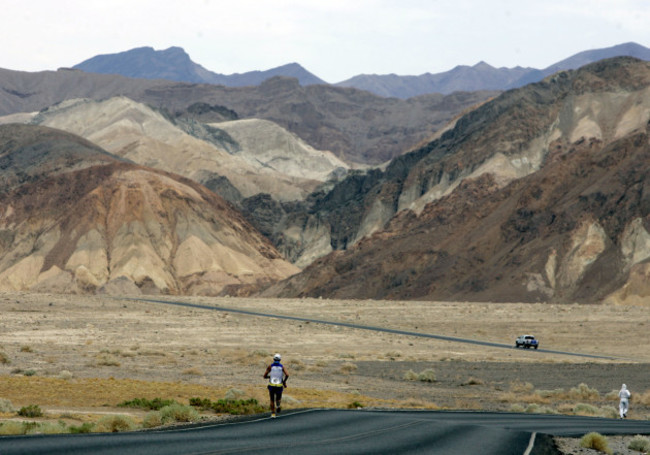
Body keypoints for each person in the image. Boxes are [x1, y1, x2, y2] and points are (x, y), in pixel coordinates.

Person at [263, 353, 289, 418]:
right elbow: (287, 375)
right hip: (279, 385)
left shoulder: (270, 366)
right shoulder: (282, 367)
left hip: (271, 385)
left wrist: (269, 377)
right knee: (278, 398)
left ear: (273, 359)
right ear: (280, 360)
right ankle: (278, 405)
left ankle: (273, 414)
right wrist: (284, 382)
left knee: (272, 399)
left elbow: (264, 376)